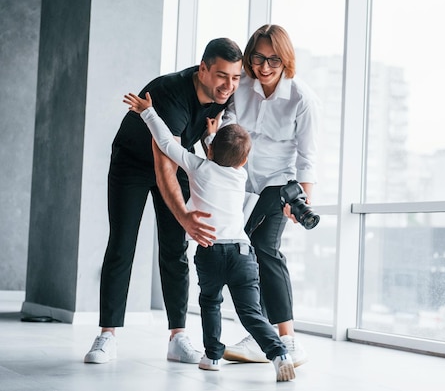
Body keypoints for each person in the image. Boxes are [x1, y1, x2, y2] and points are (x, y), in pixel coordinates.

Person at [84, 38, 243, 364]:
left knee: (175, 249)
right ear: (203, 69)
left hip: (177, 162)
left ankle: (177, 337)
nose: (229, 85)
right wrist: (184, 214)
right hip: (133, 162)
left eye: (236, 77)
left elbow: (211, 149)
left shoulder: (225, 97)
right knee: (122, 244)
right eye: (222, 76)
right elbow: (163, 164)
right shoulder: (171, 93)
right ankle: (107, 335)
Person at [123, 92, 296, 381]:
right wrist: (214, 137)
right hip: (242, 253)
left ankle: (213, 356)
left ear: (211, 152)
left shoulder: (199, 167)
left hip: (210, 251)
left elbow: (167, 144)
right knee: (250, 312)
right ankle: (279, 352)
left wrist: (148, 112)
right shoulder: (240, 176)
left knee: (210, 303)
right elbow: (222, 157)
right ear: (244, 161)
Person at [222, 24, 320, 368]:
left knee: (266, 247)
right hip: (241, 183)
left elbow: (307, 156)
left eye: (273, 60)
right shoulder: (242, 88)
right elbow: (228, 128)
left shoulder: (301, 98)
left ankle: (288, 338)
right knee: (244, 252)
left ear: (286, 59)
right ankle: (259, 333)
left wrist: (302, 201)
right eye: (258, 58)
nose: (264, 67)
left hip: (280, 183)